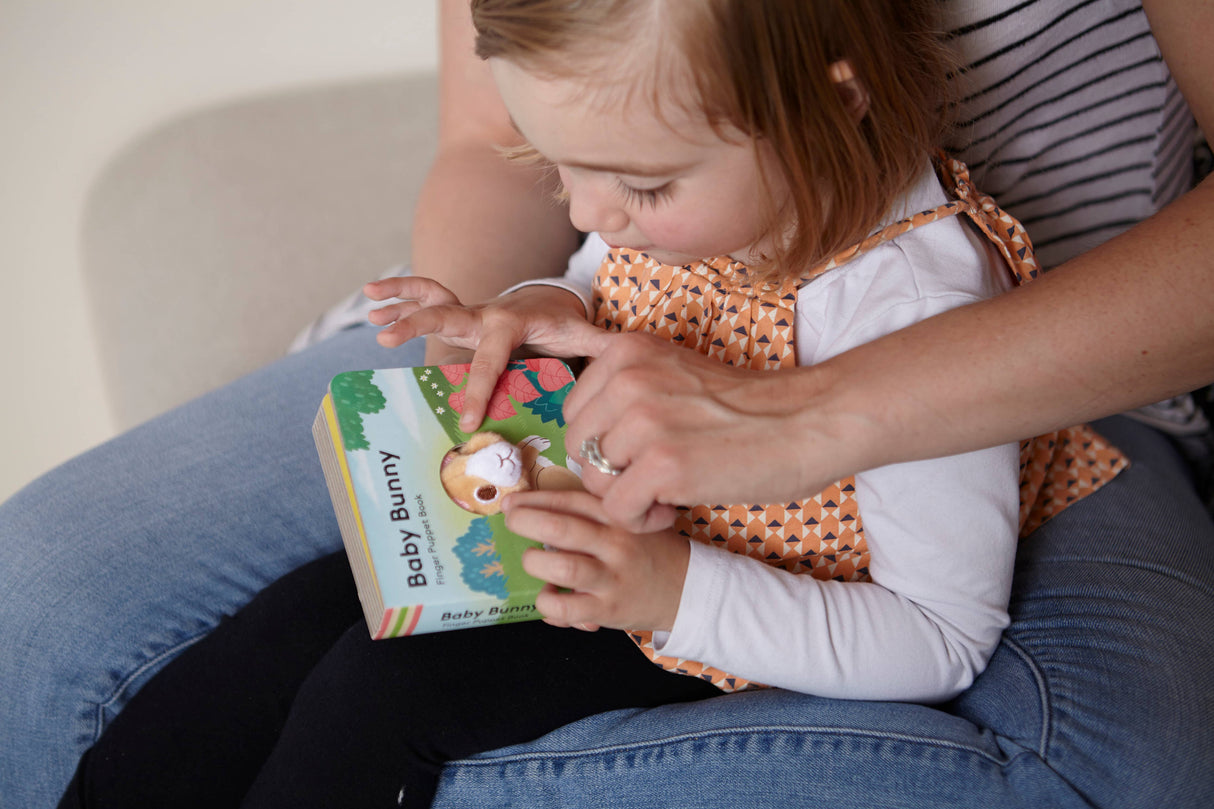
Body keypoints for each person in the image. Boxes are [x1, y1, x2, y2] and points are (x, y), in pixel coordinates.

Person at [1, 0, 1210, 807]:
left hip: (723, 595)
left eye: (631, 182)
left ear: (832, 99)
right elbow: (576, 255)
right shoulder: (693, 187)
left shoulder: (911, 301)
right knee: (279, 630)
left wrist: (668, 592)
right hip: (593, 525)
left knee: (378, 699)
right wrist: (514, 307)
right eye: (555, 167)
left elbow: (937, 637)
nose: (584, 212)